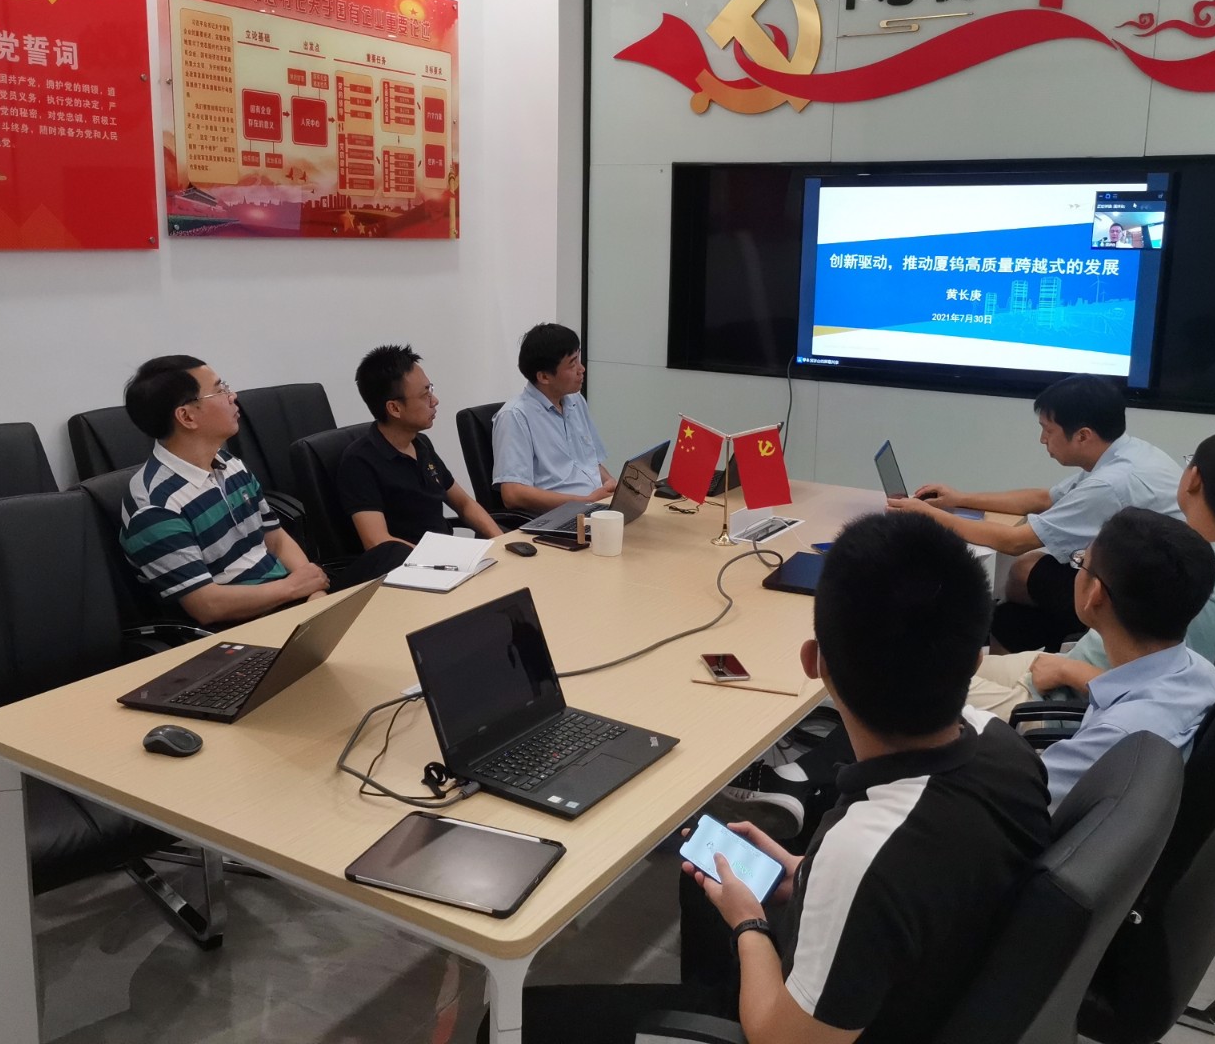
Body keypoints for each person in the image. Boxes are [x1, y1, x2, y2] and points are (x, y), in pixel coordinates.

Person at [494, 514, 1052, 1044]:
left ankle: (704, 1014)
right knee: (707, 887)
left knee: (514, 1025)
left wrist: (750, 925)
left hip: (820, 1027)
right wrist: (804, 873)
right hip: (926, 978)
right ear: (975, 659)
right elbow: (926, 881)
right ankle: (709, 999)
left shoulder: (865, 854)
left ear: (814, 662)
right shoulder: (1007, 748)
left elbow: (781, 1037)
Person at [970, 426, 1215, 719]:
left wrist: (1071, 674)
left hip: (1062, 706)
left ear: (1193, 479)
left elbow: (1170, 698)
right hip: (1069, 670)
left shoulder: (1205, 594)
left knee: (939, 691)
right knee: (952, 666)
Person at [889, 373, 1182, 653]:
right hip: (1146, 579)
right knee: (1011, 619)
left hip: (1146, 601)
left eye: (1048, 430)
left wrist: (927, 515)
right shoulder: (1127, 451)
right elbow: (1044, 498)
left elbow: (1015, 541)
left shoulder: (1111, 483)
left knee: (1024, 570)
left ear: (1083, 436)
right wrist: (960, 498)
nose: (1042, 439)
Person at [1033, 507, 1215, 807]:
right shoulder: (1209, 676)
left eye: (1081, 563)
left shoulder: (1116, 738)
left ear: (1095, 593)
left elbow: (1013, 804)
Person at [120, 356, 336, 625]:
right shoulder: (156, 505)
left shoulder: (228, 463)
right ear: (187, 416)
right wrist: (293, 589)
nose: (233, 396)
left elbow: (275, 539)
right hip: (244, 624)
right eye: (220, 390)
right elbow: (207, 605)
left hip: (290, 599)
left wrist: (315, 592)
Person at [338, 344, 503, 549]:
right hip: (409, 564)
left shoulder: (420, 444)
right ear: (394, 408)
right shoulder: (359, 462)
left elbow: (464, 504)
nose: (435, 401)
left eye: (430, 389)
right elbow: (377, 541)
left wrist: (502, 541)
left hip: (447, 556)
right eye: (425, 394)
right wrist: (442, 559)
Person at [491, 323, 614, 514]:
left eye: (578, 359)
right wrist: (585, 501)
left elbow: (589, 462)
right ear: (544, 377)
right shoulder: (515, 416)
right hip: (558, 516)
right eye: (572, 364)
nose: (581, 369)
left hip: (594, 508)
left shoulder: (575, 401)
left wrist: (610, 483)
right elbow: (513, 494)